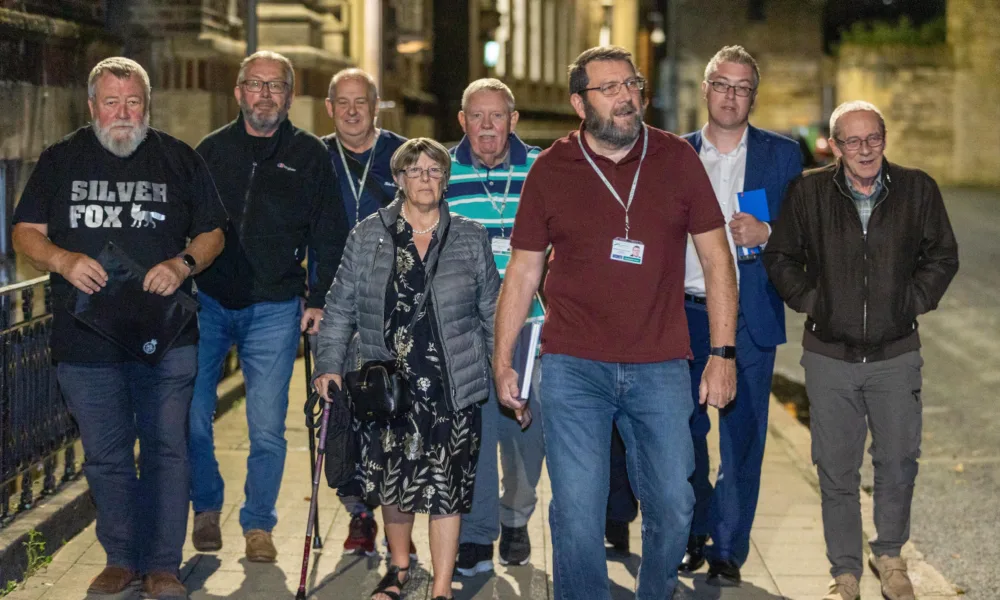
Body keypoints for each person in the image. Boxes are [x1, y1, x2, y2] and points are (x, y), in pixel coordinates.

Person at [495, 45, 739, 600]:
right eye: (610, 88)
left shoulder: (677, 159)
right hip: (573, 366)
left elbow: (717, 260)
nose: (627, 96)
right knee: (579, 514)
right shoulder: (551, 170)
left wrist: (721, 356)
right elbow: (524, 272)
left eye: (631, 84)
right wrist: (503, 357)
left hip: (660, 365)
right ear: (579, 103)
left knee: (675, 507)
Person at [11, 57, 225, 599]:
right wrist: (61, 260)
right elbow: (25, 233)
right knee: (106, 455)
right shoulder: (60, 159)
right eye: (112, 102)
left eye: (133, 102)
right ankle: (120, 558)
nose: (122, 113)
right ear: (91, 106)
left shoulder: (178, 158)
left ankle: (162, 566)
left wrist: (182, 265)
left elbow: (213, 233)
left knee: (165, 451)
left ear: (147, 105)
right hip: (86, 343)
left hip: (168, 339)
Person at [763, 100, 958, 600]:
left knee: (898, 460)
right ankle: (845, 572)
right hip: (830, 355)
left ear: (885, 139)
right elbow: (780, 256)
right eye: (852, 140)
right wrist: (815, 302)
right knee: (836, 468)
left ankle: (889, 556)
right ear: (835, 146)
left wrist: (909, 301)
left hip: (896, 353)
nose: (864, 148)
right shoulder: (808, 192)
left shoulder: (917, 189)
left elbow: (942, 255)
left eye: (873, 137)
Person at [314, 137, 500, 600]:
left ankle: (440, 587)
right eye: (415, 171)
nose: (425, 179)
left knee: (446, 486)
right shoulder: (368, 234)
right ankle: (399, 570)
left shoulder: (470, 236)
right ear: (398, 180)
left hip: (450, 385)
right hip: (386, 385)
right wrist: (328, 365)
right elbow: (340, 308)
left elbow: (492, 313)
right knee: (392, 481)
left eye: (435, 171)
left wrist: (502, 373)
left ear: (445, 180)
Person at [187, 50, 349, 562]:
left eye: (275, 86)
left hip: (275, 307)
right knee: (190, 415)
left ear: (289, 95)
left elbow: (330, 234)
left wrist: (320, 299)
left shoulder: (310, 155)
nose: (264, 94)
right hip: (207, 301)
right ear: (238, 92)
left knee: (267, 424)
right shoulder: (209, 151)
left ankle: (258, 524)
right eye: (255, 85)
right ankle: (207, 507)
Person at [676, 45, 803, 583]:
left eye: (742, 86)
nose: (731, 95)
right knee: (680, 435)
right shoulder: (673, 154)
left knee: (743, 436)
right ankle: (691, 531)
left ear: (754, 93)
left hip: (750, 315)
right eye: (722, 84)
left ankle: (727, 549)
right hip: (683, 312)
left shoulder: (783, 156)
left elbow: (807, 232)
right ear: (705, 90)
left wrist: (769, 233)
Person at [444, 78, 545, 574]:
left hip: (532, 325)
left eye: (497, 115)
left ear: (513, 119)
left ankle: (515, 516)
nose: (487, 126)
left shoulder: (542, 168)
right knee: (474, 435)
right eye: (476, 116)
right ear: (462, 120)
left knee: (527, 432)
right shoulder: (441, 169)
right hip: (466, 328)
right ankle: (478, 532)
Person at [320, 67, 408, 556]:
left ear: (376, 106)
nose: (353, 111)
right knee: (340, 420)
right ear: (330, 107)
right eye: (343, 102)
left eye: (362, 101)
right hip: (334, 309)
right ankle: (358, 513)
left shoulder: (401, 155)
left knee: (392, 411)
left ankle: (398, 517)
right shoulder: (315, 156)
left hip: (390, 308)